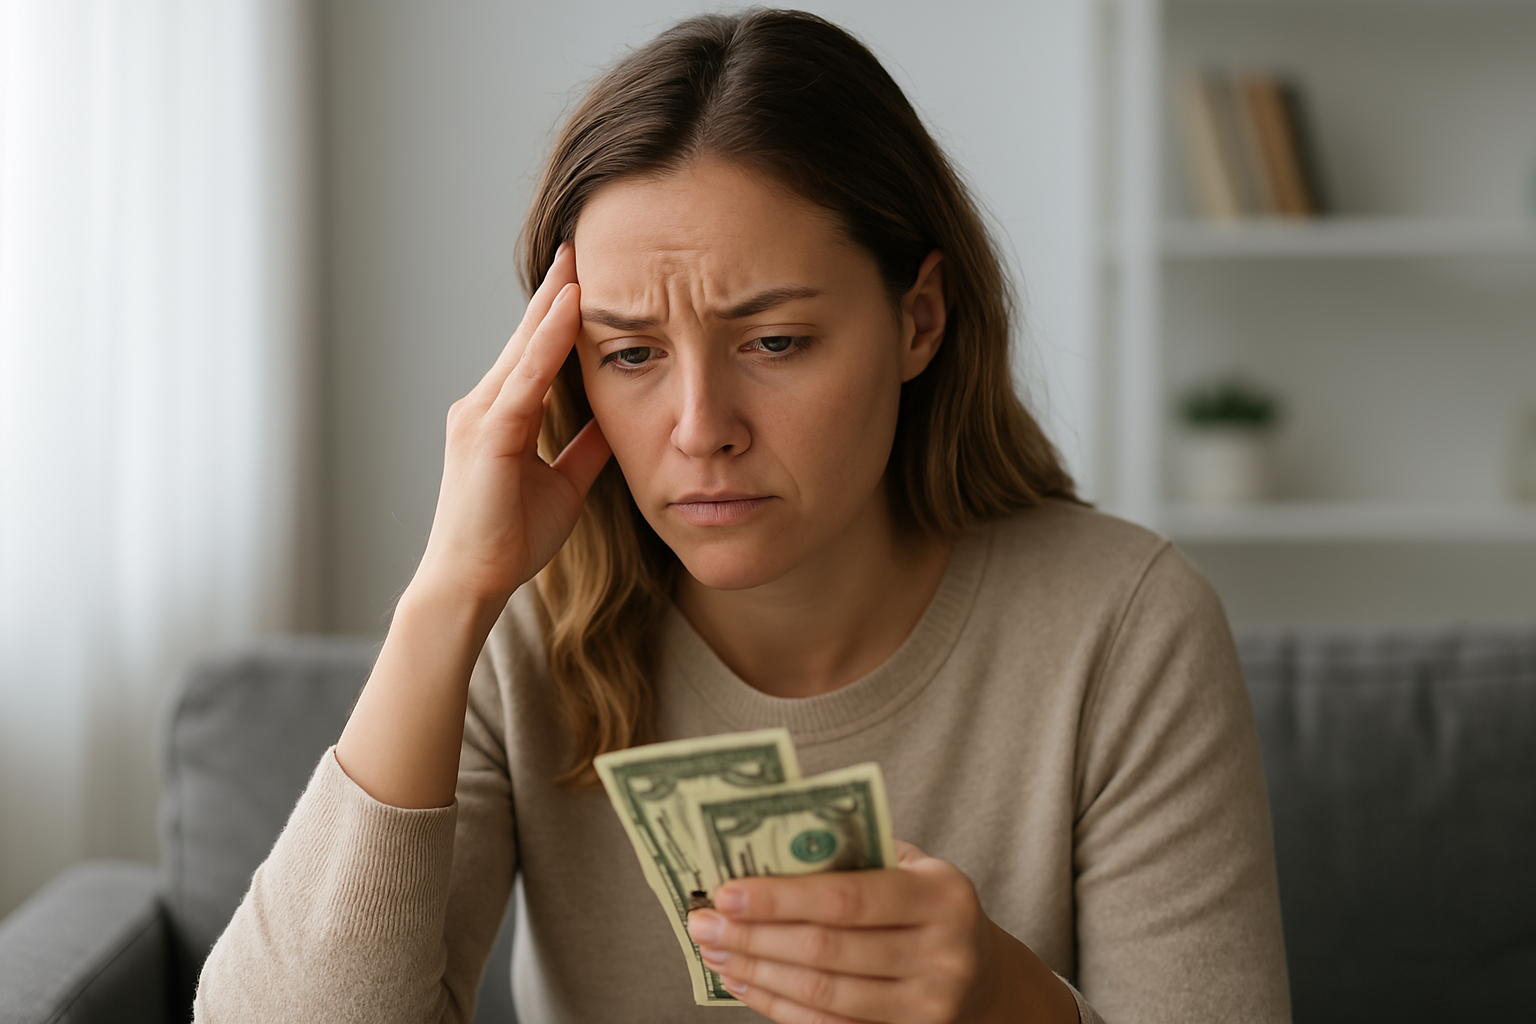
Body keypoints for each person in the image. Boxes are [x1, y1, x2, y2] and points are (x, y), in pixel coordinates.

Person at [196, 10, 1290, 1024]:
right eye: (630, 354)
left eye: (773, 342)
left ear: (919, 320)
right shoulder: (520, 626)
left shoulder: (1126, 624)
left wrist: (1010, 1001)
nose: (699, 427)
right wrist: (446, 598)